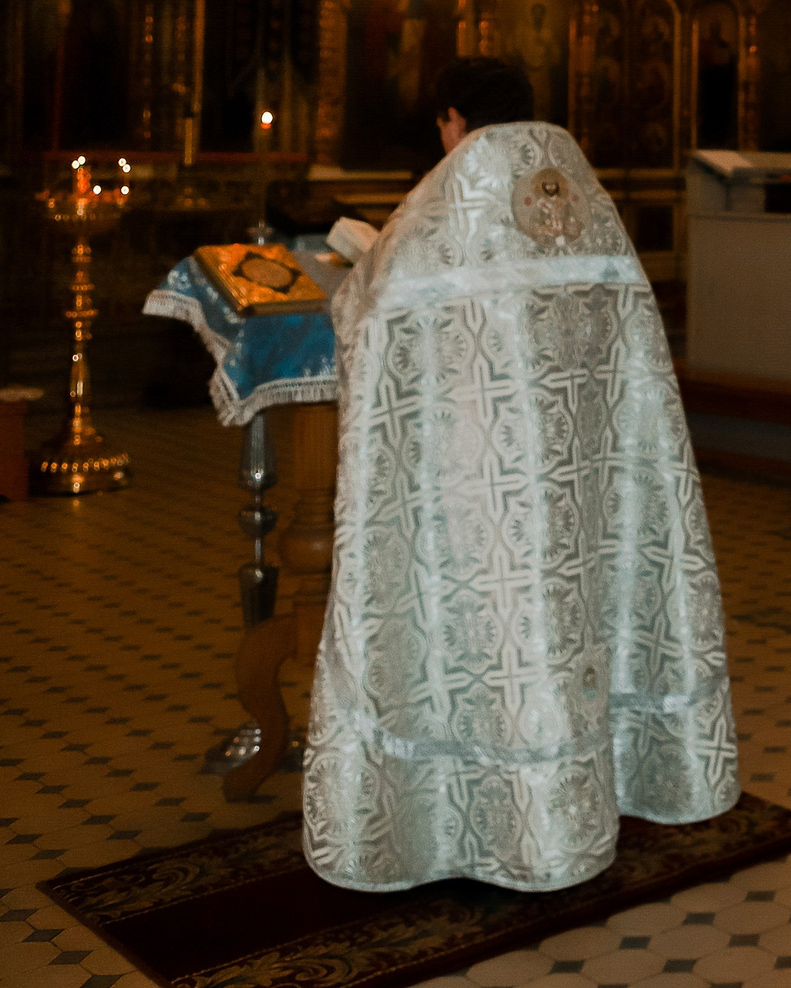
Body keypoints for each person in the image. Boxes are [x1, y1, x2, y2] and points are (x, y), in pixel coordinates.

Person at [305, 54, 739, 891]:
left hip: (483, 484)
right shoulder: (582, 195)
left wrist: (358, 262)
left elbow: (373, 309)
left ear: (454, 118)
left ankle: (486, 815)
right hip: (586, 476)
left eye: (443, 124)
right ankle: (597, 793)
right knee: (574, 620)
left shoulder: (451, 196)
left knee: (490, 641)